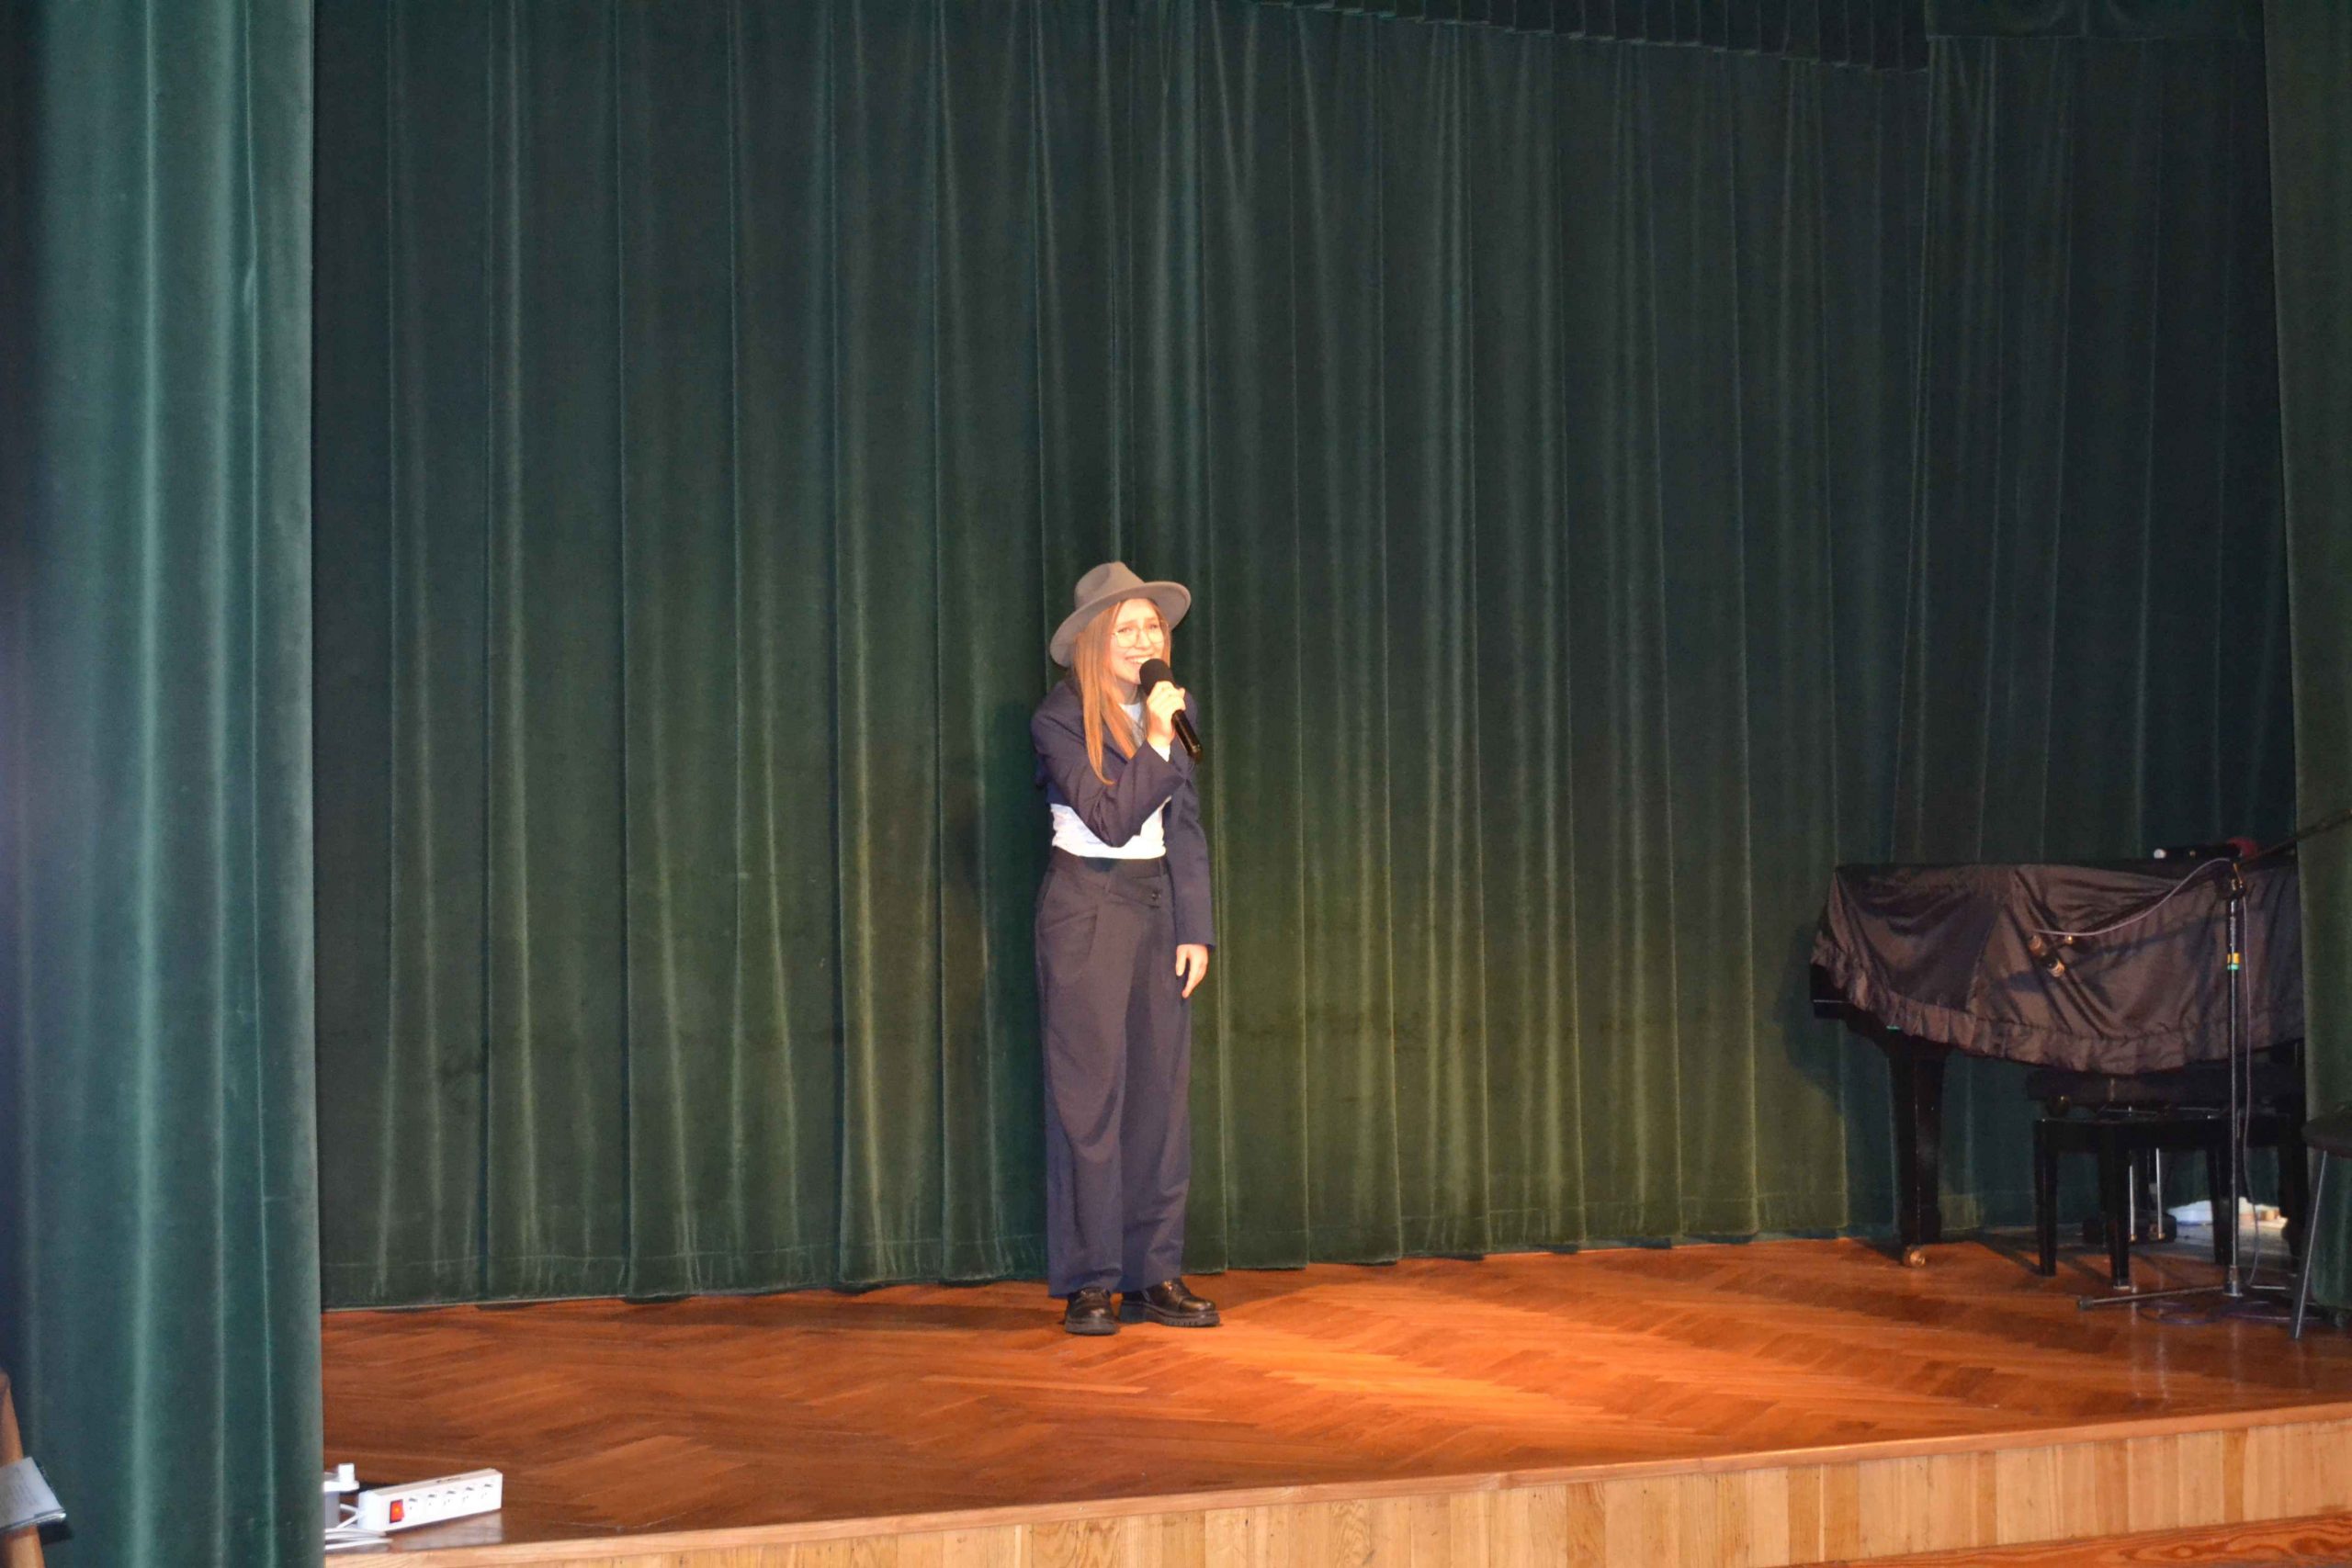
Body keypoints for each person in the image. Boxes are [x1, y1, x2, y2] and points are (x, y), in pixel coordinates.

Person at [1031, 561, 1218, 1336]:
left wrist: (1195, 925)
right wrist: (1156, 740)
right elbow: (1110, 820)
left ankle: (1154, 1274)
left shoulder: (1174, 708)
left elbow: (1185, 824)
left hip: (1156, 909)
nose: (1145, 641)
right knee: (1090, 1102)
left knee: (1158, 1104)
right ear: (1094, 641)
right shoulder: (1059, 717)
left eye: (1153, 627)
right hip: (1087, 907)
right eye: (1127, 628)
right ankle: (1090, 1281)